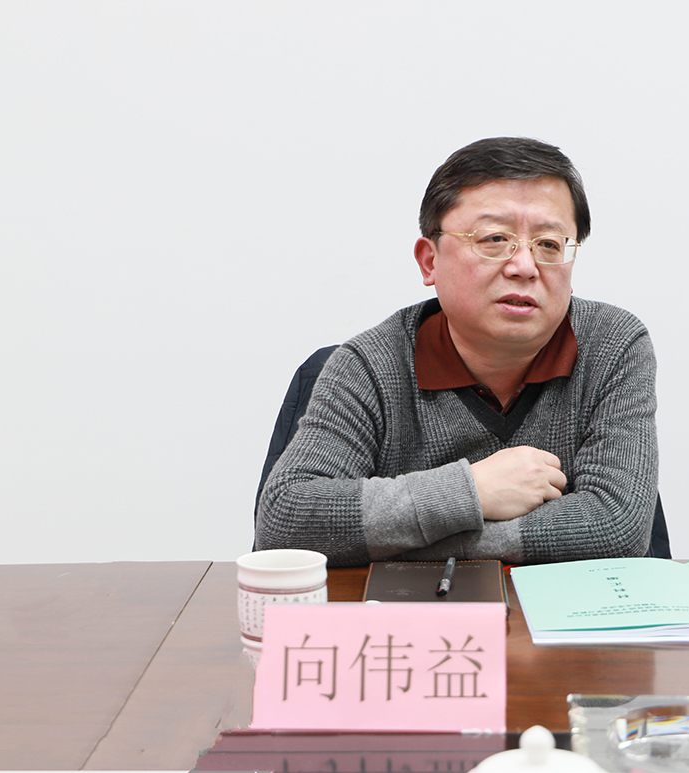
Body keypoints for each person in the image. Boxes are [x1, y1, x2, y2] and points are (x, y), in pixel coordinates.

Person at [256, 137, 658, 567]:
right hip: (415, 611)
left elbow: (617, 526)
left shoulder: (611, 345)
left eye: (549, 244)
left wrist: (417, 543)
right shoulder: (369, 365)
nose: (524, 266)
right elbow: (286, 522)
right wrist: (472, 490)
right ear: (429, 261)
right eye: (494, 238)